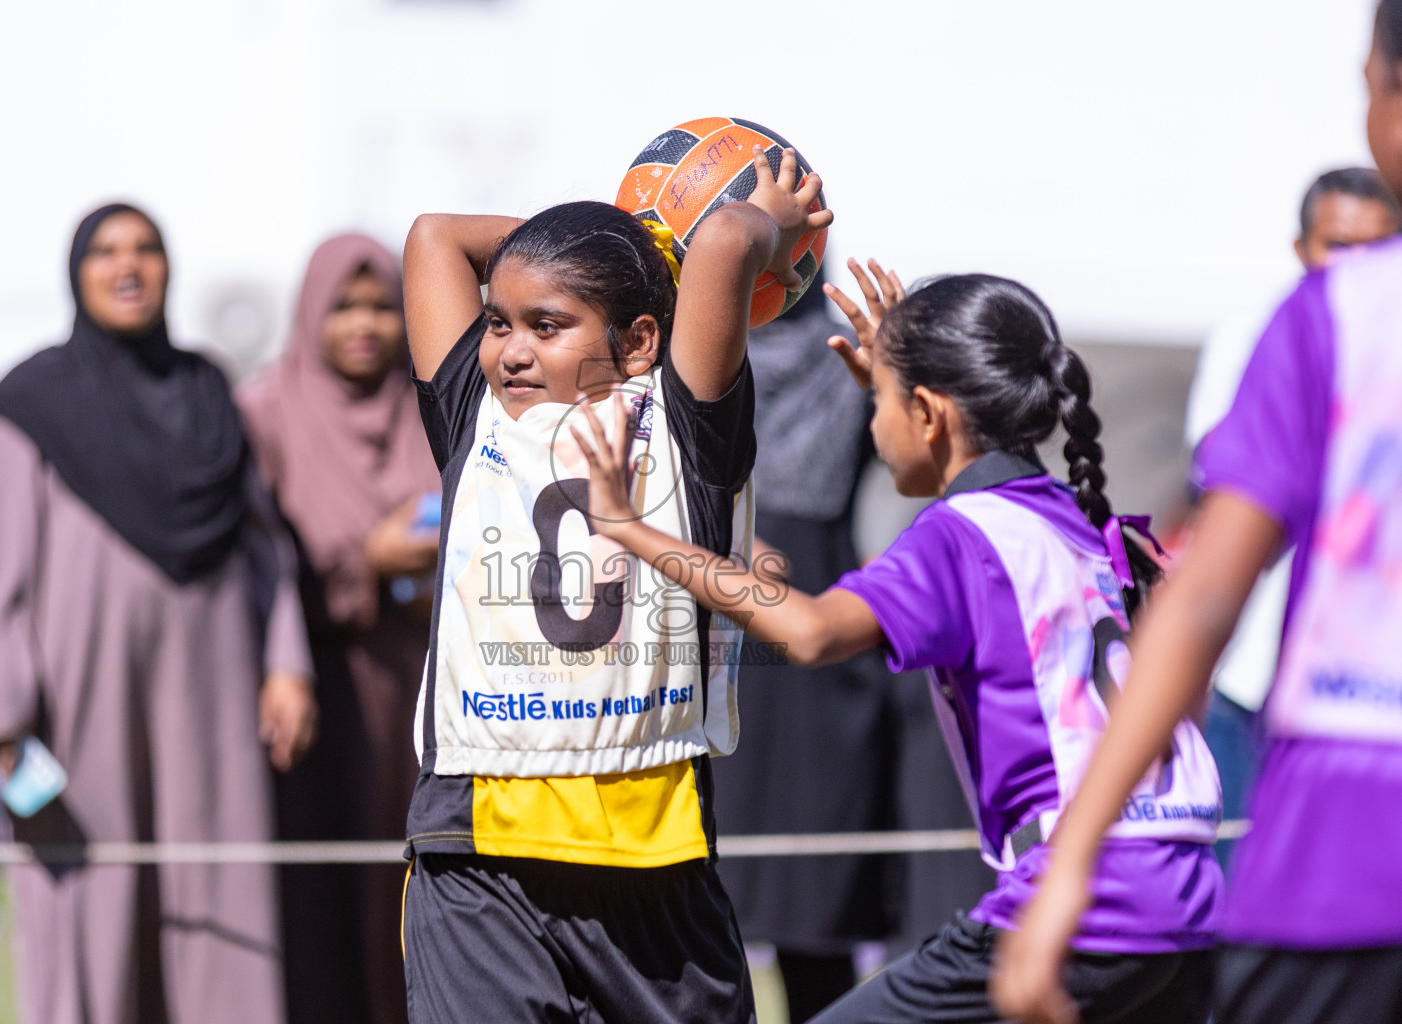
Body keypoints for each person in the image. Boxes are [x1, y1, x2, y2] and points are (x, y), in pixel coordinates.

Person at [572, 262, 1224, 1024]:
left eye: (879, 400)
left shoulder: (961, 537)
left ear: (927, 412)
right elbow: (933, 442)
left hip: (1088, 898)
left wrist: (632, 530)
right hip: (1186, 898)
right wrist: (899, 386)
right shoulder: (1079, 521)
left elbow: (812, 632)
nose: (870, 422)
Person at [992, 4, 1402, 1022]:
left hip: (1347, 862)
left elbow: (1208, 586)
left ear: (1379, 87)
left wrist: (1073, 860)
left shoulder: (1341, 316)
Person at [398, 146, 830, 1024]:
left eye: (546, 325)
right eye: (498, 323)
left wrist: (749, 228)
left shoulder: (682, 428)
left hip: (648, 841)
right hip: (477, 838)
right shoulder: (471, 420)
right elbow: (433, 237)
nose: (511, 351)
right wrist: (611, 240)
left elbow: (721, 244)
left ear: (638, 341)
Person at [0, 203, 315, 1024]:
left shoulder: (207, 389)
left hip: (210, 687)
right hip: (81, 694)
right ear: (76, 272)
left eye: (147, 249)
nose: (129, 266)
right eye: (106, 252)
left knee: (219, 880)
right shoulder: (23, 405)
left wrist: (287, 663)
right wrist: (1, 712)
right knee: (92, 894)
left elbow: (264, 547)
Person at [238, 232, 440, 1024]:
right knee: (317, 907)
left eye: (384, 307)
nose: (365, 325)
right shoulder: (264, 413)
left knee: (410, 902)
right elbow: (254, 564)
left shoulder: (430, 410)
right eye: (344, 306)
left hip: (418, 701)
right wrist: (370, 561)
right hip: (313, 702)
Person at [1183, 166, 1401, 867]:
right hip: (1250, 672)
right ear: (1300, 246)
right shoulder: (1261, 335)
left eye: (1375, 248)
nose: (1354, 267)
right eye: (1337, 245)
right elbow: (1223, 483)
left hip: (1362, 693)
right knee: (1228, 883)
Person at [709, 272, 905, 1022]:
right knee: (704, 898)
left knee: (816, 913)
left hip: (822, 641)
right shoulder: (703, 360)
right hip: (723, 633)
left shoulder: (847, 358)